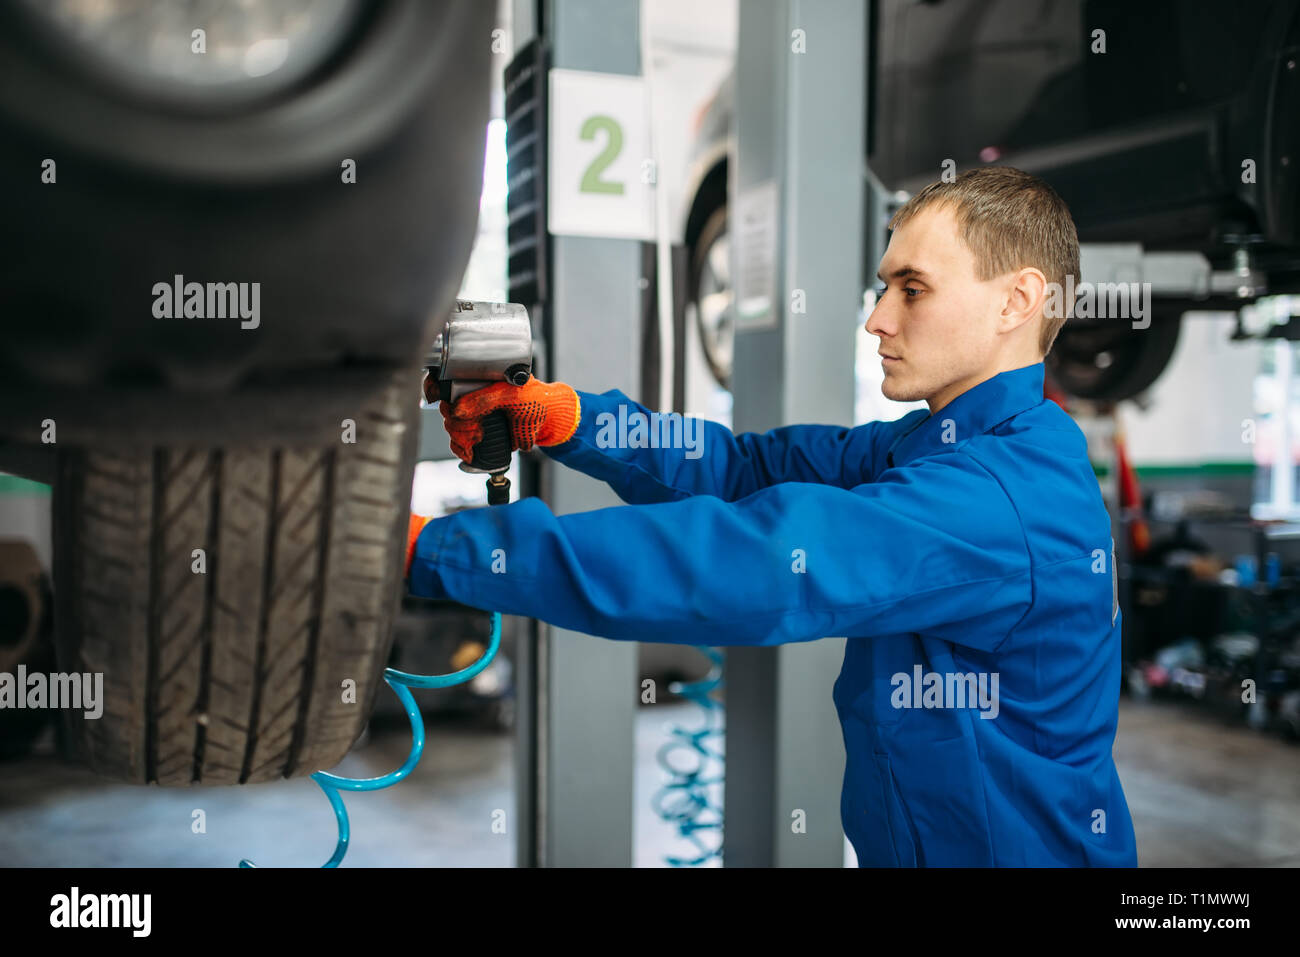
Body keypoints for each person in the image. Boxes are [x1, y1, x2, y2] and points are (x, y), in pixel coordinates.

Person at [406, 166, 1138, 867]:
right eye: (883, 287)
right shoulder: (940, 446)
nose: (878, 320)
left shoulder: (1001, 497)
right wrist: (568, 419)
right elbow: (744, 468)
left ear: (1016, 302)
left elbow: (753, 563)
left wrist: (436, 548)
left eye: (913, 290)